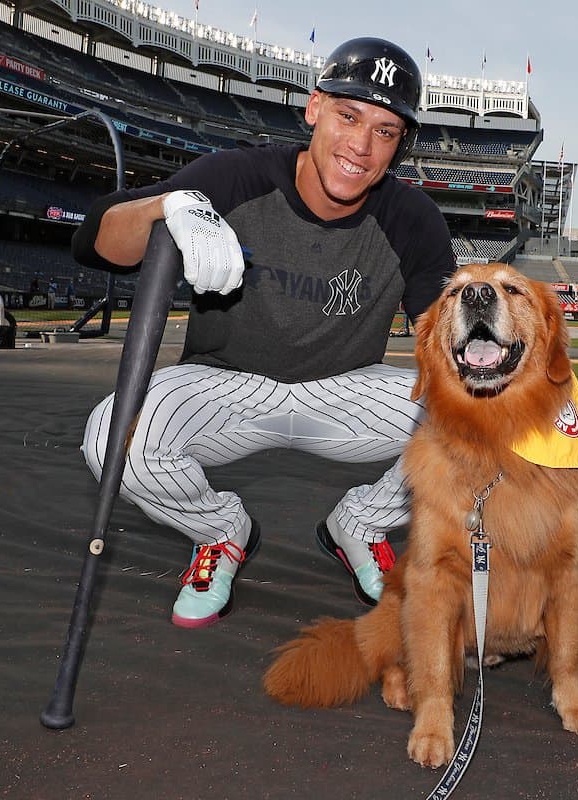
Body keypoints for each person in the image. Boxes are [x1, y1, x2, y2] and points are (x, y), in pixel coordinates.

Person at [71, 37, 456, 628]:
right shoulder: (237, 175)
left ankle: (361, 522)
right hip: (225, 386)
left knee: (481, 425)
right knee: (111, 439)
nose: (361, 144)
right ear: (313, 108)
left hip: (344, 391)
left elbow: (443, 340)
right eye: (348, 116)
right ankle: (222, 532)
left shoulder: (412, 218)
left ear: (399, 144)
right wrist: (169, 207)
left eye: (384, 130)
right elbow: (95, 239)